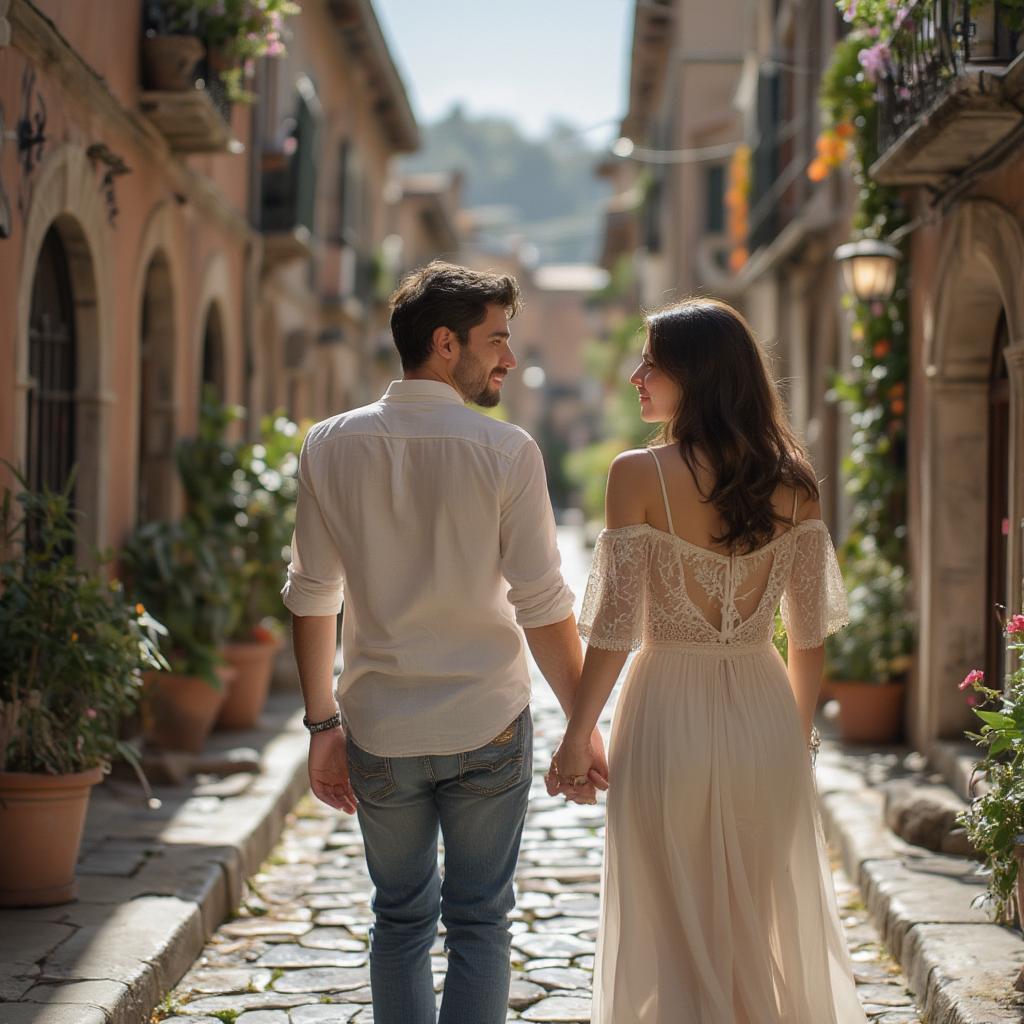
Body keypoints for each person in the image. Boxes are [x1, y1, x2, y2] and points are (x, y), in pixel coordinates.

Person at [281, 260, 608, 1024]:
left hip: (381, 730)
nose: (510, 358)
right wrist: (582, 724)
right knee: (480, 923)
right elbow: (541, 604)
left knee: (398, 921)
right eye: (496, 339)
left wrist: (322, 725)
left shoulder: (328, 444)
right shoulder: (507, 452)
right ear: (444, 344)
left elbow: (310, 596)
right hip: (487, 726)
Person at [547, 298, 868, 1023]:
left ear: (699, 376)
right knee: (750, 923)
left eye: (651, 363)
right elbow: (809, 640)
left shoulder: (638, 475)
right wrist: (796, 738)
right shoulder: (798, 486)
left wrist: (577, 732)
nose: (635, 375)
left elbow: (616, 630)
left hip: (666, 711)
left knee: (670, 920)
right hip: (764, 714)